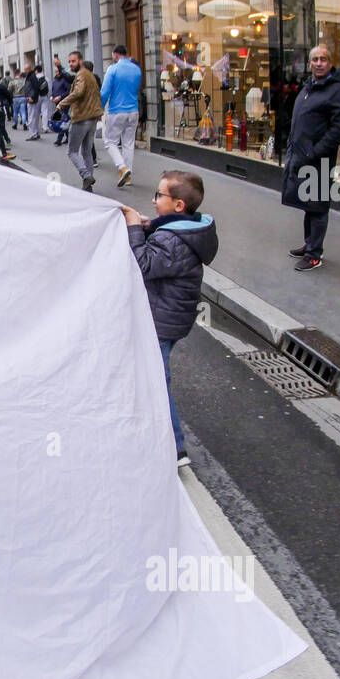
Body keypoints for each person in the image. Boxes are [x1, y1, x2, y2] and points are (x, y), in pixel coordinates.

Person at [120, 171, 218, 468]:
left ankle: (176, 449)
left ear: (178, 205)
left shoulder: (174, 238)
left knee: (157, 381)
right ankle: (146, 430)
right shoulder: (183, 229)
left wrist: (136, 229)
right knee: (147, 374)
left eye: (159, 195)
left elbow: (144, 264)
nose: (153, 199)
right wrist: (149, 225)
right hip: (171, 315)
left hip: (163, 320)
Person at [280, 44, 340, 271]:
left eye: (323, 59)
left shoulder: (336, 91)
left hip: (319, 160)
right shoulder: (309, 87)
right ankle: (309, 244)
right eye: (315, 60)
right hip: (302, 157)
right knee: (308, 204)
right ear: (310, 63)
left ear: (330, 63)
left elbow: (339, 129)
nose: (319, 63)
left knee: (318, 206)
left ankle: (314, 254)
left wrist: (315, 151)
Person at [57, 50, 104, 191]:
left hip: (82, 118)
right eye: (70, 61)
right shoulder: (89, 75)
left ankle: (86, 176)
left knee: (72, 151)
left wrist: (61, 103)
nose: (71, 64)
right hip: (92, 117)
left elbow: (78, 92)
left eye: (74, 61)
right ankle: (88, 184)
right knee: (87, 151)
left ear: (81, 61)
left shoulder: (82, 75)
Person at [100, 43, 143, 187]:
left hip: (117, 110)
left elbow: (105, 92)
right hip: (133, 110)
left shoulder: (113, 69)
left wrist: (100, 107)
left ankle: (122, 168)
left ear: (116, 55)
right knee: (128, 144)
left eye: (113, 56)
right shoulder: (137, 69)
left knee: (110, 142)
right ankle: (128, 177)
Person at [50, 67, 72, 146]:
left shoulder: (64, 80)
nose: (57, 73)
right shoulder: (55, 81)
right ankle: (68, 137)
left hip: (64, 102)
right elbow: (53, 90)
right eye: (55, 71)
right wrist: (52, 96)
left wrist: (60, 96)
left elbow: (68, 91)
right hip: (57, 103)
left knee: (62, 120)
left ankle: (59, 139)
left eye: (58, 71)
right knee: (63, 120)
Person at [24, 62, 45, 141]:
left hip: (32, 99)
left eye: (25, 69)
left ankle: (33, 134)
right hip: (33, 98)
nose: (24, 70)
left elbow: (36, 87)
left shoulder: (31, 77)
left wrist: (32, 96)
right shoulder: (31, 76)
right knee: (35, 117)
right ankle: (36, 133)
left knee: (31, 117)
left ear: (28, 69)